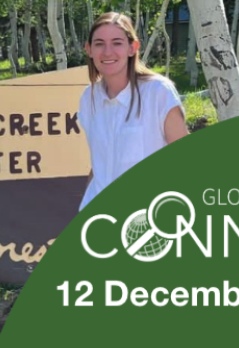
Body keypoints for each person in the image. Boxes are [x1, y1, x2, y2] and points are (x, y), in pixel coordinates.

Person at [78, 12, 189, 210]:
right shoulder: (89, 98)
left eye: (117, 43)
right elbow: (98, 165)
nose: (107, 52)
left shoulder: (158, 92)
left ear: (132, 48)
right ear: (89, 50)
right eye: (99, 43)